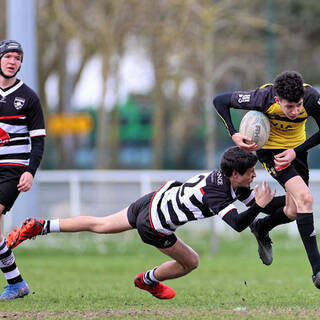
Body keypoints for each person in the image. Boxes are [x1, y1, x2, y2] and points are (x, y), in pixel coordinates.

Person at [6, 147, 276, 299]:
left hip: (152, 200)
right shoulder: (217, 192)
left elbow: (255, 203)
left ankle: (41, 226)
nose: (255, 175)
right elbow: (240, 224)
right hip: (154, 224)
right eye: (251, 172)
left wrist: (293, 203)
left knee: (100, 225)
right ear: (235, 174)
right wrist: (261, 206)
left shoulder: (230, 180)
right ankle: (148, 280)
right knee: (191, 262)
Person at [213, 70, 320, 289]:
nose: (295, 111)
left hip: (296, 151)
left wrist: (296, 151)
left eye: (298, 105)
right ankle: (318, 271)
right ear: (278, 99)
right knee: (305, 199)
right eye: (289, 106)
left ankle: (261, 227)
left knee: (293, 211)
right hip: (271, 152)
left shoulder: (311, 97)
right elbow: (220, 101)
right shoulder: (261, 98)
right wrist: (233, 133)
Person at [0, 40, 46, 300]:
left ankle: (17, 284)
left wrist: (30, 171)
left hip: (13, 170)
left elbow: (39, 139)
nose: (12, 61)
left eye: (17, 58)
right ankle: (16, 283)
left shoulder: (28, 97)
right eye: (8, 57)